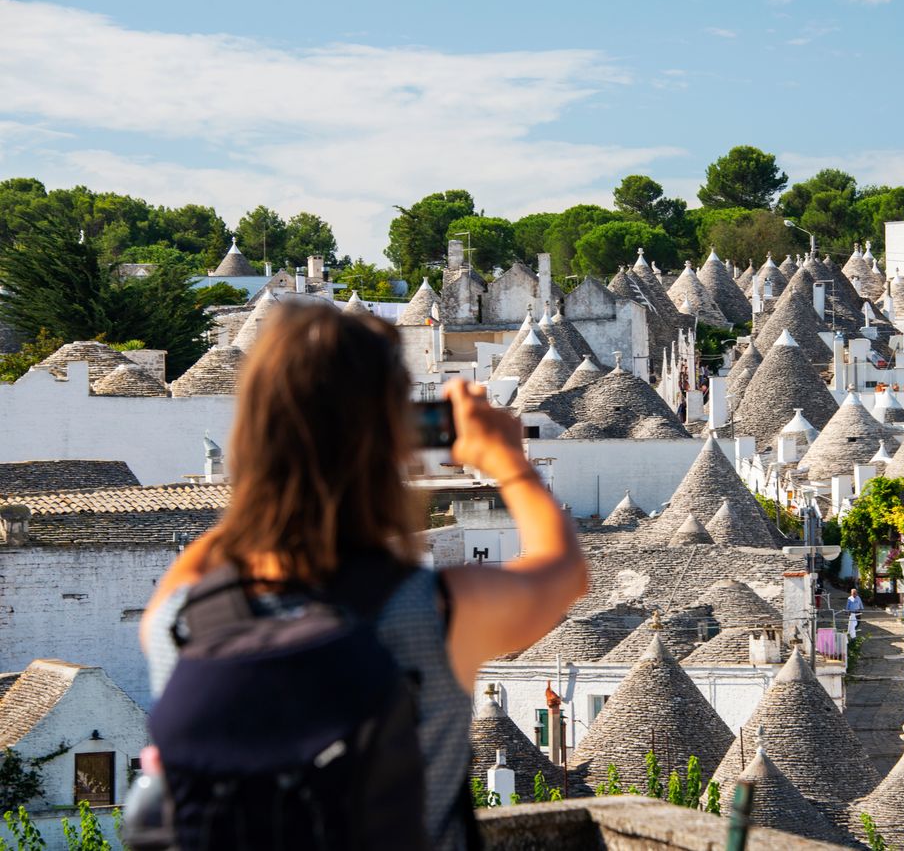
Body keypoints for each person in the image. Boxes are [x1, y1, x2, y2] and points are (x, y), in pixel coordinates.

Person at [139, 303, 587, 848]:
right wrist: (509, 461)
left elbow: (221, 547)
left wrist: (271, 472)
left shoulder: (178, 622)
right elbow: (564, 574)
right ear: (392, 440)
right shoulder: (429, 613)